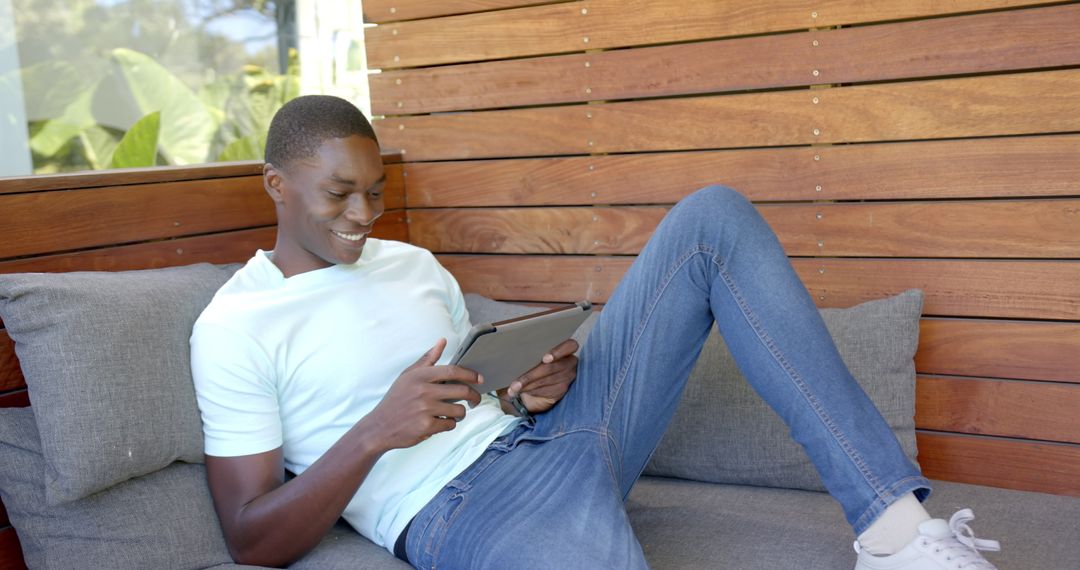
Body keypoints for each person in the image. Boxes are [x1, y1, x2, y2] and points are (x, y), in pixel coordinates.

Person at [189, 95, 1002, 570]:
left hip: (563, 434)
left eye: (374, 192)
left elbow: (483, 384)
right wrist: (373, 433)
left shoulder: (411, 263)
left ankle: (899, 537)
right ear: (275, 185)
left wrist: (530, 389)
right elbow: (250, 538)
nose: (364, 216)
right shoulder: (236, 327)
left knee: (712, 217)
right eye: (339, 196)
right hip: (464, 508)